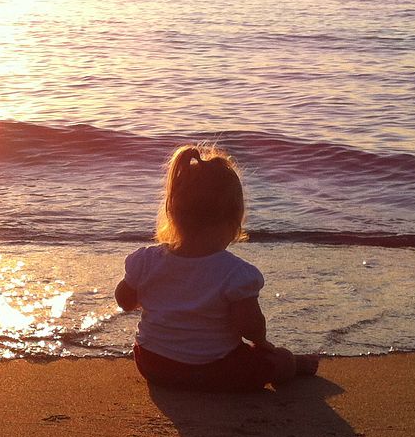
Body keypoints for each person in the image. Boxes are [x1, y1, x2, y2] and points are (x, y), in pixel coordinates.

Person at [115, 144, 318, 392]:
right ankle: (295, 365)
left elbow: (124, 300)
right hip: (216, 370)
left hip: (154, 364)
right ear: (235, 218)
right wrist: (262, 342)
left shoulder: (145, 261)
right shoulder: (235, 273)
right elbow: (250, 326)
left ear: (173, 211)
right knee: (281, 360)